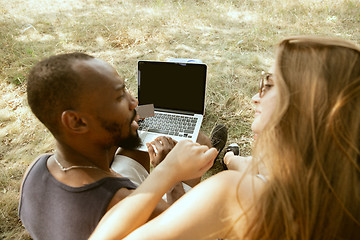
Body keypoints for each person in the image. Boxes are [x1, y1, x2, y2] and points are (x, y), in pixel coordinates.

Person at [90, 36, 360, 239]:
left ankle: (224, 154)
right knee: (223, 152)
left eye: (268, 84)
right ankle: (227, 155)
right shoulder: (342, 190)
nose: (255, 97)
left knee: (203, 143)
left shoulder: (233, 192)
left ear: (303, 103)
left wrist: (169, 171)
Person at [18, 52, 219, 240]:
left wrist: (147, 112)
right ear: (77, 122)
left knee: (140, 136)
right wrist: (172, 174)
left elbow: (130, 118)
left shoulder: (35, 169)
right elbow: (186, 233)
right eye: (119, 96)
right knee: (200, 142)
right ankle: (217, 152)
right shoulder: (126, 206)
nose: (134, 102)